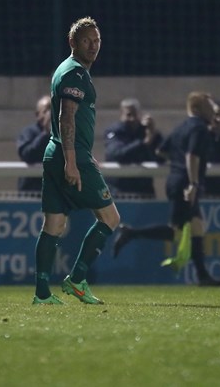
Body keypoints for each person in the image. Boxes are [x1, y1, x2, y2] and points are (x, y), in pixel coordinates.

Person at [32, 16, 120, 305]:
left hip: (55, 152)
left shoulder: (66, 70)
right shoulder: (75, 74)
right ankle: (78, 279)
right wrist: (73, 161)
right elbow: (66, 116)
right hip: (70, 156)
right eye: (87, 41)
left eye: (97, 41)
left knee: (54, 225)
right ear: (73, 42)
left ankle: (42, 293)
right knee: (110, 218)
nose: (94, 46)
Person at [112, 92, 220, 287]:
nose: (214, 110)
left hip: (177, 180)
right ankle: (130, 233)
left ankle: (203, 276)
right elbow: (192, 155)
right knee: (176, 230)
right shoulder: (199, 128)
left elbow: (161, 151)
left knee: (197, 226)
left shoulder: (183, 126)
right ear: (198, 109)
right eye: (210, 107)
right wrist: (193, 183)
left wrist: (176, 164)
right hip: (185, 183)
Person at [103, 98, 165, 199]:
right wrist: (143, 143)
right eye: (128, 115)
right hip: (118, 191)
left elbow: (161, 157)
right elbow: (116, 154)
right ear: (121, 115)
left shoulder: (146, 131)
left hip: (143, 191)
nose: (132, 119)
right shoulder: (115, 131)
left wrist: (154, 134)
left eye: (135, 115)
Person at [16, 95, 51, 194]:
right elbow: (27, 154)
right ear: (37, 115)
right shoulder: (28, 132)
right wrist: (45, 133)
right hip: (31, 192)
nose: (49, 115)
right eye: (45, 111)